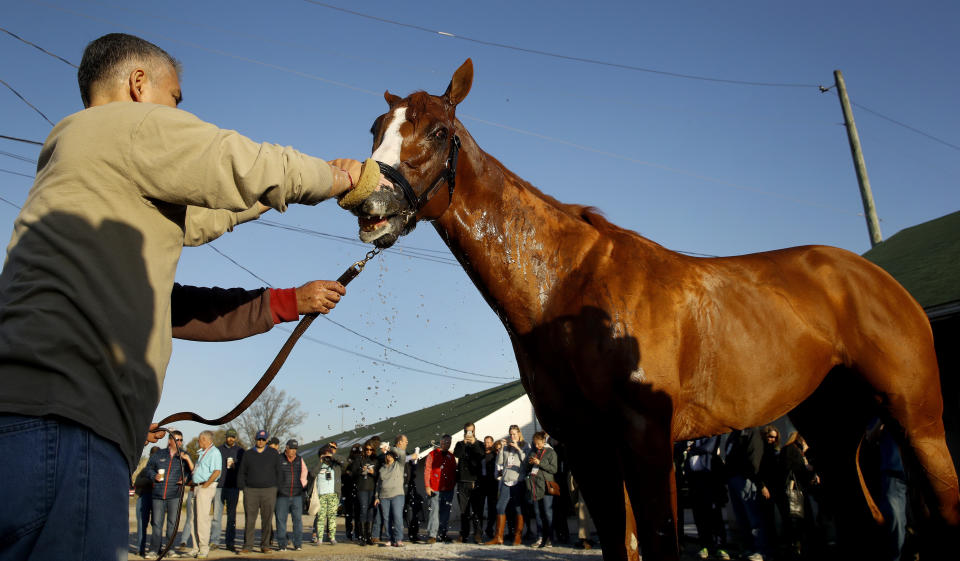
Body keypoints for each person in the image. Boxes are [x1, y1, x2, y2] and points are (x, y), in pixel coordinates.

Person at [0, 32, 385, 559]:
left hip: (25, 430)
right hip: (68, 435)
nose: (179, 113)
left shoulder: (79, 172)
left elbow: (182, 266)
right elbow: (238, 162)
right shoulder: (126, 124)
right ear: (138, 85)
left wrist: (285, 301)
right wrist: (336, 177)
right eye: (175, 99)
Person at [145, 430, 193, 558]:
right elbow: (148, 469)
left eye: (181, 440)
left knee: (172, 524)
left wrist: (186, 479)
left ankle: (169, 549)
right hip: (158, 495)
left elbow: (191, 473)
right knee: (157, 524)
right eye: (177, 439)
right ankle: (154, 550)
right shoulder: (159, 454)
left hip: (175, 495)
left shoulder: (184, 456)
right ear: (170, 440)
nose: (180, 442)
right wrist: (154, 476)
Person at [683, 436, 730, 560]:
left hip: (709, 480)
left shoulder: (712, 434)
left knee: (715, 515)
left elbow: (709, 448)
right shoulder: (690, 438)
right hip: (694, 481)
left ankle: (720, 546)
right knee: (699, 516)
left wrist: (690, 448)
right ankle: (705, 545)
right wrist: (687, 447)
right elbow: (681, 447)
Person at [725, 427, 769, 561]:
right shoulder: (734, 434)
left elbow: (754, 456)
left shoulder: (752, 431)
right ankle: (749, 548)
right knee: (742, 517)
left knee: (753, 516)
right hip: (733, 478)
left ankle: (761, 550)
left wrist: (756, 480)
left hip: (745, 478)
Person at [238, 429, 282, 553]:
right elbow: (242, 472)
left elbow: (279, 471)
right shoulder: (248, 454)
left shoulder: (273, 453)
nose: (261, 441)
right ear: (255, 439)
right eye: (259, 439)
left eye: (263, 439)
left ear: (267, 440)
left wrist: (276, 488)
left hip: (269, 490)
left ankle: (265, 545)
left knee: (267, 519)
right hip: (251, 491)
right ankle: (247, 546)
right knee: (250, 520)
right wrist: (243, 487)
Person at [486, 425, 528, 545]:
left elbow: (526, 463)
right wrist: (503, 448)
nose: (512, 436)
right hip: (505, 481)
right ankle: (498, 537)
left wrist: (518, 449)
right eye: (511, 434)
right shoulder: (506, 447)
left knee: (518, 508)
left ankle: (518, 536)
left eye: (514, 434)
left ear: (519, 434)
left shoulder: (525, 445)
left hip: (518, 481)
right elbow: (499, 462)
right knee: (500, 507)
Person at [190, 430, 222, 558]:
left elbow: (217, 471)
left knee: (202, 519)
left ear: (206, 440)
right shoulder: (202, 453)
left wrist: (205, 485)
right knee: (194, 518)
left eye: (200, 439)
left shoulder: (214, 452)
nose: (198, 442)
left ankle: (204, 548)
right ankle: (195, 546)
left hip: (205, 487)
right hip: (197, 486)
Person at [211, 428, 243, 552]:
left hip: (233, 487)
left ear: (236, 438)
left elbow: (243, 468)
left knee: (231, 517)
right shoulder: (218, 450)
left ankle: (230, 542)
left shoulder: (240, 451)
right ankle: (214, 541)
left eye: (233, 437)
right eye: (229, 436)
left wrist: (236, 466)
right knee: (216, 516)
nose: (231, 439)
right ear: (226, 437)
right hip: (219, 486)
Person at [454, 422, 486, 543]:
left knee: (477, 510)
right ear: (464, 431)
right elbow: (457, 454)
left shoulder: (480, 444)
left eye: (471, 431)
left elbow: (482, 455)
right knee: (464, 512)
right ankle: (464, 534)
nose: (469, 433)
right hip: (462, 482)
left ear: (474, 431)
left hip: (476, 482)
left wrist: (473, 443)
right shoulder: (460, 444)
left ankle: (478, 534)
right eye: (467, 431)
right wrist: (464, 443)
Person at [525, 431, 558, 548]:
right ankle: (540, 537)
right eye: (535, 443)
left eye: (539, 443)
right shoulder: (533, 451)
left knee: (548, 512)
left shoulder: (551, 452)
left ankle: (550, 537)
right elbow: (527, 467)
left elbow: (554, 469)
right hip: (535, 485)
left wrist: (540, 463)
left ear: (543, 442)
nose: (537, 446)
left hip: (546, 485)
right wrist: (530, 463)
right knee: (538, 513)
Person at [424, 434, 457, 543]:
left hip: (448, 489)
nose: (447, 444)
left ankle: (442, 534)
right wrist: (427, 486)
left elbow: (454, 472)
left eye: (449, 442)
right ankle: (432, 535)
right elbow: (427, 470)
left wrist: (453, 485)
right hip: (435, 488)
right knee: (434, 512)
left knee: (445, 513)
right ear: (440, 442)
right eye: (445, 442)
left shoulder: (451, 457)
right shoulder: (432, 454)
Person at [275, 439, 308, 551]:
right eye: (291, 449)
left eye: (295, 449)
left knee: (298, 520)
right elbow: (274, 473)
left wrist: (301, 484)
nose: (293, 451)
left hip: (297, 495)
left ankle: (298, 544)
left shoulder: (300, 459)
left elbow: (305, 472)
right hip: (282, 495)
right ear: (286, 448)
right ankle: (282, 544)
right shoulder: (279, 459)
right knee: (281, 520)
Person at [376, 446, 408, 547]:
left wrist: (391, 448)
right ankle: (390, 538)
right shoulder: (382, 469)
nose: (389, 457)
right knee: (386, 518)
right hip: (384, 496)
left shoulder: (399, 465)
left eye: (391, 455)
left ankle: (398, 539)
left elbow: (402, 454)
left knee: (397, 517)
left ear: (394, 457)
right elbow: (378, 484)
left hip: (397, 495)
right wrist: (376, 497)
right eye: (387, 455)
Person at [132, 446, 160, 557]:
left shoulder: (163, 464)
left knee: (157, 523)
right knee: (142, 524)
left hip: (157, 496)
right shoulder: (144, 464)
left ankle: (156, 548)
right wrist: (151, 479)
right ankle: (140, 548)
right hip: (144, 494)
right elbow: (136, 480)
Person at [313, 443, 342, 546]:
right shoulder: (319, 465)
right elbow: (312, 474)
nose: (327, 457)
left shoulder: (336, 465)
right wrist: (321, 461)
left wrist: (332, 456)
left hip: (333, 494)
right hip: (321, 495)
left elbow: (345, 462)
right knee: (320, 517)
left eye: (328, 454)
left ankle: (332, 537)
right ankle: (319, 538)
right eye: (325, 454)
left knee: (332, 517)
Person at [353, 439, 380, 545]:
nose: (369, 451)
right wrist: (362, 470)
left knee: (371, 512)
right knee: (363, 511)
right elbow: (353, 473)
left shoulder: (375, 460)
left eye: (371, 449)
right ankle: (362, 536)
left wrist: (373, 472)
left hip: (372, 488)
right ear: (364, 449)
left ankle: (369, 536)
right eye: (367, 449)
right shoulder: (359, 459)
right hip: (362, 488)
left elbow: (379, 474)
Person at [479, 435, 500, 540]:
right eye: (485, 442)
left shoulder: (495, 455)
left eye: (489, 442)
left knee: (492, 509)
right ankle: (479, 531)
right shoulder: (480, 454)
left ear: (492, 443)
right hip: (482, 484)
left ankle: (489, 529)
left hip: (492, 484)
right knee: (480, 508)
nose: (487, 444)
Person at [341, 443, 361, 543]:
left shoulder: (355, 462)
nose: (357, 454)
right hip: (350, 490)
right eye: (356, 452)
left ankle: (352, 533)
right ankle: (353, 533)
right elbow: (344, 476)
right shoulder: (348, 462)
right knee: (353, 513)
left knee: (352, 514)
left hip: (353, 490)